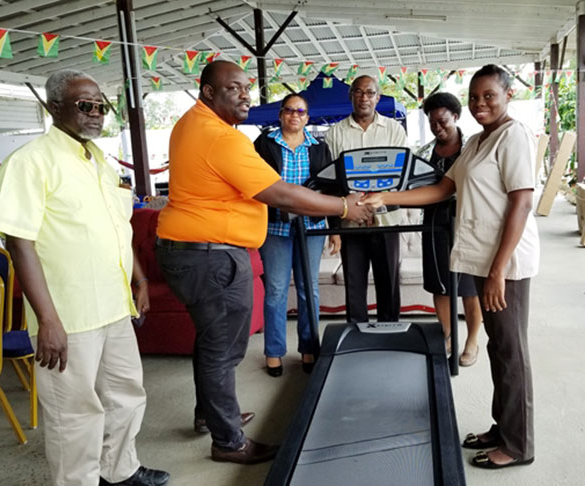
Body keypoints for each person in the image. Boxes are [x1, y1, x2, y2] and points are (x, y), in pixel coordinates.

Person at [155, 60, 373, 465]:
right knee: (224, 348)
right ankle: (228, 441)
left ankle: (212, 414)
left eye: (246, 88)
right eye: (234, 88)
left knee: (210, 340)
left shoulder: (190, 124)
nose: (245, 95)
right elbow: (281, 193)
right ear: (208, 93)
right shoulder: (224, 138)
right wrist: (344, 206)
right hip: (211, 255)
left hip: (191, 249)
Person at [0, 69, 169, 486]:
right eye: (84, 105)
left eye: (100, 105)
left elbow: (116, 228)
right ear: (54, 108)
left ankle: (119, 470)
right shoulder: (30, 162)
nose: (96, 113)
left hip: (113, 306)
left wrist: (140, 280)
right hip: (68, 316)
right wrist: (48, 321)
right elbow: (20, 243)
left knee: (126, 395)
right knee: (74, 413)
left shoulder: (100, 162)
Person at [363, 64, 539, 469]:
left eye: (489, 96)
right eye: (475, 97)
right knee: (499, 348)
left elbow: (522, 201)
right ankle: (503, 427)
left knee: (512, 352)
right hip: (483, 257)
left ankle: (518, 445)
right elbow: (443, 188)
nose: (480, 104)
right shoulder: (478, 142)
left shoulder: (513, 136)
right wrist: (386, 198)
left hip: (506, 264)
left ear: (508, 95)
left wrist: (497, 271)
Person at [253, 94, 341, 377]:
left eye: (300, 111)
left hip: (312, 228)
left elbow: (330, 189)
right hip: (275, 228)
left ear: (307, 117)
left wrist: (334, 229)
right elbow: (254, 184)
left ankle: (309, 348)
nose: (294, 115)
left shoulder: (319, 148)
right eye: (289, 110)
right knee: (276, 290)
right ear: (281, 115)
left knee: (309, 290)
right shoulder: (265, 144)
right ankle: (275, 352)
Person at [324, 75, 407, 323]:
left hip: (387, 221)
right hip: (350, 223)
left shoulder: (394, 129)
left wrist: (378, 198)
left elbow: (400, 176)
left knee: (388, 282)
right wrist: (334, 228)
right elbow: (330, 183)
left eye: (370, 93)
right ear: (351, 96)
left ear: (377, 98)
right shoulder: (335, 133)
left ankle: (390, 332)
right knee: (354, 283)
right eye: (358, 92)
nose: (364, 98)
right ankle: (356, 335)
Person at [418, 92, 483, 366]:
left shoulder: (475, 147)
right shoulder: (423, 153)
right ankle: (447, 334)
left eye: (443, 121)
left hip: (467, 222)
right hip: (434, 222)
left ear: (455, 117)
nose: (438, 128)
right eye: (433, 123)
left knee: (469, 286)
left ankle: (471, 340)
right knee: (439, 283)